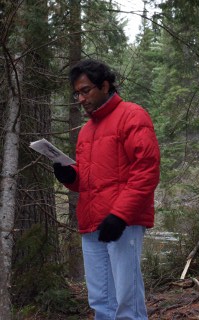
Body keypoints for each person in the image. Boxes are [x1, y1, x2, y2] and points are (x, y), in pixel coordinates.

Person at [53, 59, 160, 320]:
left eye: (86, 90)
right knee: (101, 301)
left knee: (127, 301)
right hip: (92, 223)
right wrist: (70, 176)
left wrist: (121, 215)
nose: (80, 98)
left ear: (105, 85)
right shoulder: (87, 130)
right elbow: (88, 180)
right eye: (77, 93)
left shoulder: (132, 115)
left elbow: (146, 169)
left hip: (122, 222)